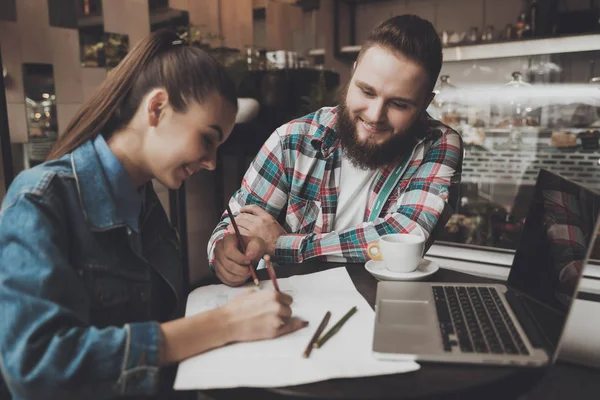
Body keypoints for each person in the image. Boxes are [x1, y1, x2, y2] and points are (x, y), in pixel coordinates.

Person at [0, 30, 307, 400]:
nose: (211, 163)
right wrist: (224, 324)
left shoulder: (143, 199)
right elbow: (35, 367)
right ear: (157, 108)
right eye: (207, 139)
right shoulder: (39, 199)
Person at [208, 15, 464, 287]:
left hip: (385, 308)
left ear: (426, 102)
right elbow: (234, 226)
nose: (375, 116)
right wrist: (225, 254)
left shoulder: (438, 144)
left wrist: (283, 244)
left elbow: (406, 234)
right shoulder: (292, 140)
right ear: (353, 73)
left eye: (399, 104)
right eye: (366, 92)